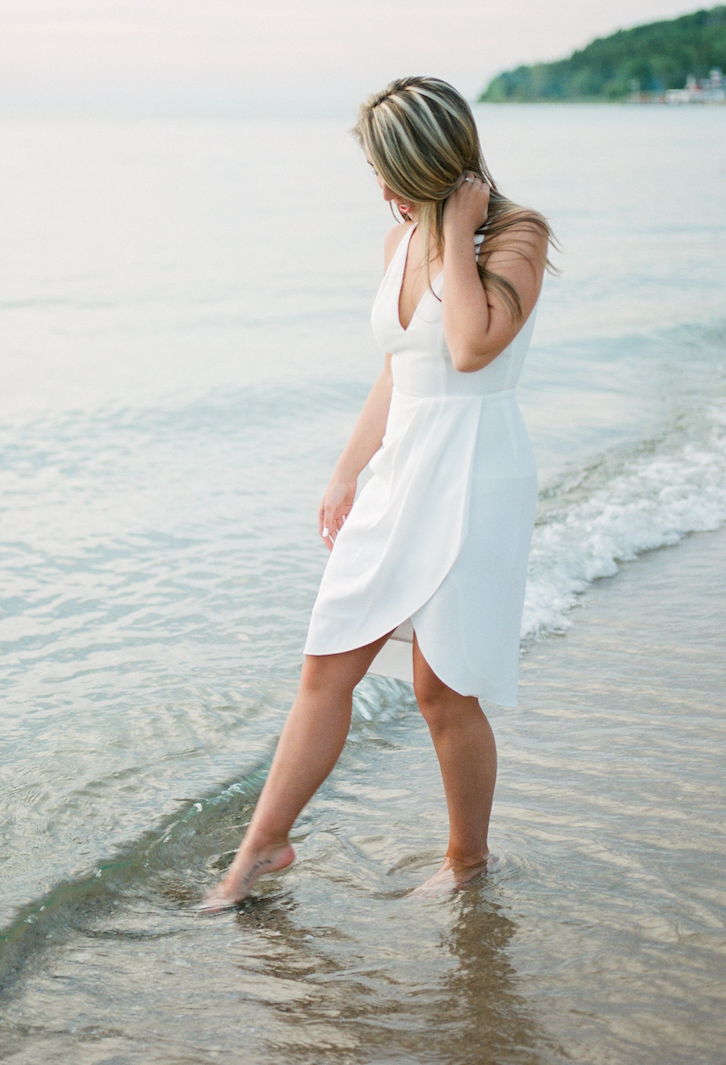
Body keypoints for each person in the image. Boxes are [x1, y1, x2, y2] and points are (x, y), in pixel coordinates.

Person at [201, 76, 554, 909]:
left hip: (475, 475)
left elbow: (470, 350)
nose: (382, 190)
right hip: (403, 471)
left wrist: (463, 233)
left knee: (443, 687)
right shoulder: (396, 243)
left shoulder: (514, 235)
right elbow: (401, 368)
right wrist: (346, 468)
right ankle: (262, 846)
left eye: (386, 170)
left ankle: (467, 858)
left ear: (427, 162)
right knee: (326, 660)